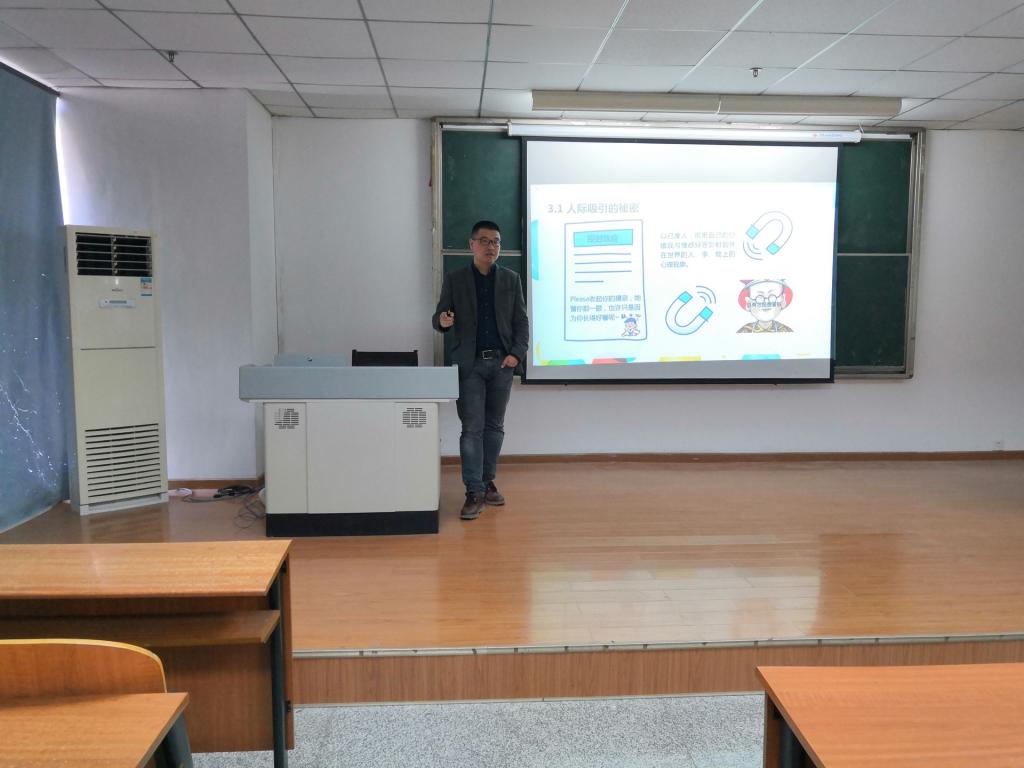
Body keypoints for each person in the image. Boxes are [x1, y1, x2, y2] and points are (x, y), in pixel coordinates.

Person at [432, 220, 530, 521]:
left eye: (496, 241)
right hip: (470, 365)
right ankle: (473, 491)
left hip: (501, 364)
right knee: (472, 428)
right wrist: (443, 321)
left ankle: (487, 482)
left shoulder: (511, 279)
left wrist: (516, 354)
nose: (492, 247)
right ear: (472, 245)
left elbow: (521, 322)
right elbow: (439, 317)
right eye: (485, 241)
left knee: (494, 427)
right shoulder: (456, 279)